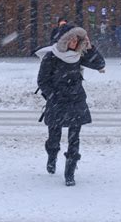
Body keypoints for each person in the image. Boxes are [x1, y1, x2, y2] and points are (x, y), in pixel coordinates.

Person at [36, 27, 105, 186]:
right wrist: (53, 96)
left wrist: (90, 47)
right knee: (54, 136)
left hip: (76, 101)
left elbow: (100, 63)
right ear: (64, 40)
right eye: (72, 39)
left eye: (77, 40)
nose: (74, 43)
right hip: (57, 102)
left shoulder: (78, 56)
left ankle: (70, 172)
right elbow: (42, 81)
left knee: (74, 138)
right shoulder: (51, 57)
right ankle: (52, 156)